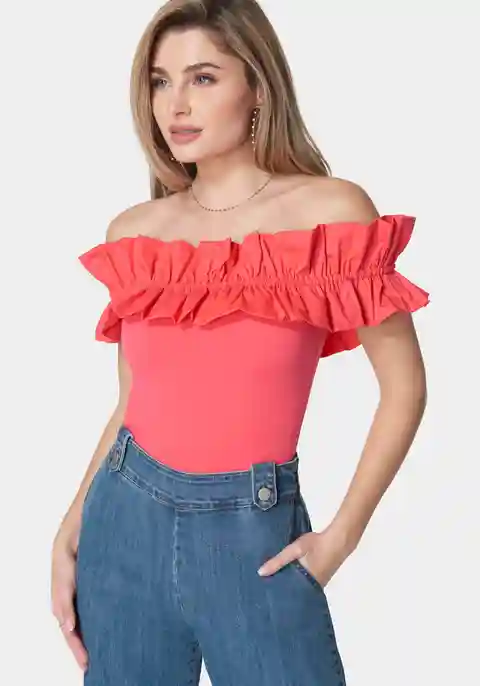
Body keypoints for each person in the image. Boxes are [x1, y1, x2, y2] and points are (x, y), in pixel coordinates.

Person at [50, 1, 430, 684]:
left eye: (202, 77)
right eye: (160, 81)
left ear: (256, 85)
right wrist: (72, 524)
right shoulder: (136, 234)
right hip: (123, 525)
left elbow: (404, 389)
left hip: (254, 535)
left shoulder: (330, 215)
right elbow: (133, 402)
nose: (176, 104)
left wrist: (339, 539)